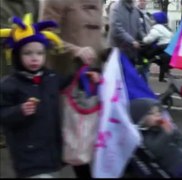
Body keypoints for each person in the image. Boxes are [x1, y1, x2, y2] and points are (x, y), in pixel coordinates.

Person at [0, 15, 100, 178]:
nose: (34, 58)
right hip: (28, 157)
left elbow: (70, 82)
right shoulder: (9, 84)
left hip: (52, 155)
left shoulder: (51, 77)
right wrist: (19, 111)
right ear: (17, 55)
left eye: (39, 53)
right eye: (28, 53)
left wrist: (86, 76)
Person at [40, 0, 105, 177]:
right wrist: (74, 50)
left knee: (83, 137)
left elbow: (97, 38)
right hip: (66, 77)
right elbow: (46, 35)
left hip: (91, 77)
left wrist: (107, 52)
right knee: (69, 136)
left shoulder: (98, 2)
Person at [107, 0, 143, 65]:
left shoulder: (135, 10)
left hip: (131, 52)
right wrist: (132, 41)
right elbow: (116, 29)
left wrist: (145, 39)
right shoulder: (115, 8)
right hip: (118, 52)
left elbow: (139, 28)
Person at [142, 12, 172, 82]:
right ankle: (161, 77)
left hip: (161, 47)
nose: (151, 21)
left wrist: (143, 39)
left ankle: (145, 63)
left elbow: (148, 40)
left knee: (146, 54)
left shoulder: (157, 28)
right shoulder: (167, 28)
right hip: (167, 49)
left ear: (157, 20)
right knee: (162, 62)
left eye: (153, 19)